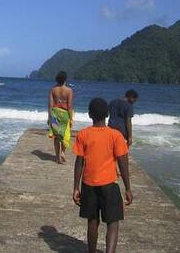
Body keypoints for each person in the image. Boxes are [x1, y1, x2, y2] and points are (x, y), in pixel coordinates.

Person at [73, 98, 133, 253]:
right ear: (107, 114)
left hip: (89, 184)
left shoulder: (83, 134)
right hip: (109, 185)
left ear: (89, 115)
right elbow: (123, 163)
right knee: (113, 222)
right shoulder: (116, 135)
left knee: (92, 221)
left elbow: (79, 163)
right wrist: (127, 188)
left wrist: (75, 188)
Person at [47, 71, 74, 164]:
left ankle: (57, 157)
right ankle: (63, 152)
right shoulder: (69, 91)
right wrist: (71, 118)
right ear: (65, 79)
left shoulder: (53, 90)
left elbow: (50, 105)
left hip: (55, 113)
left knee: (57, 136)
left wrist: (49, 116)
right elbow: (69, 106)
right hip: (65, 114)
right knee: (65, 134)